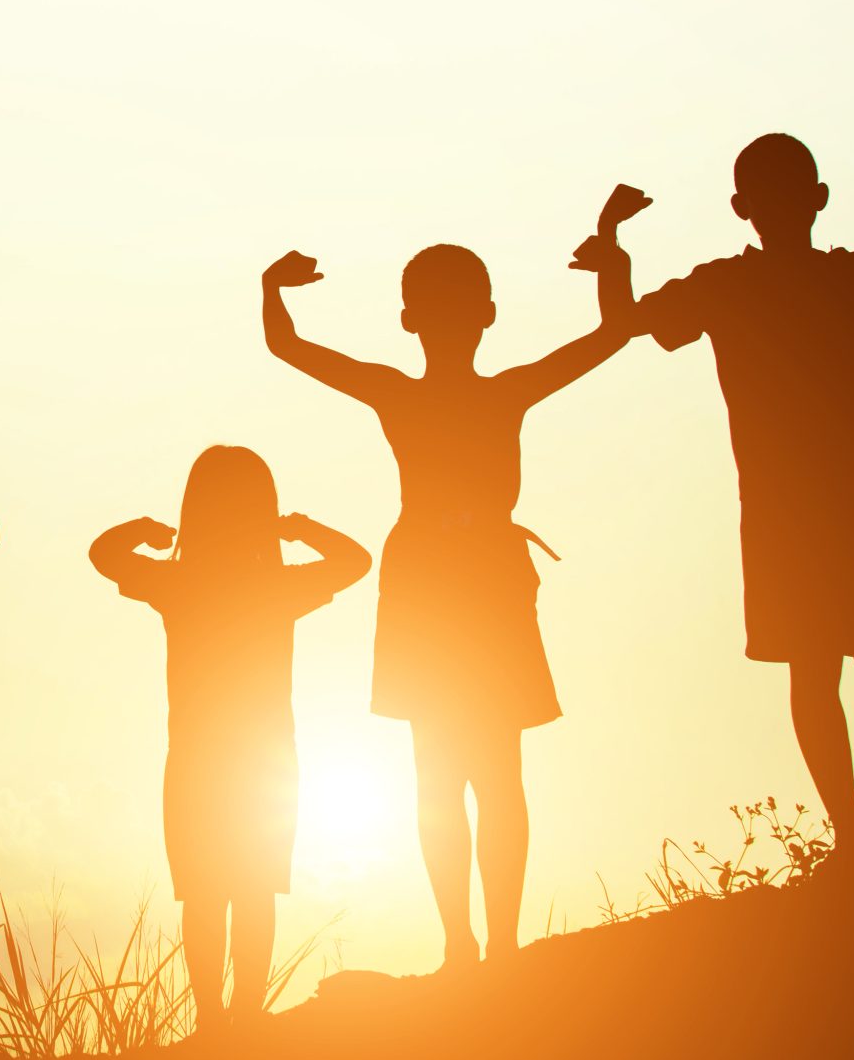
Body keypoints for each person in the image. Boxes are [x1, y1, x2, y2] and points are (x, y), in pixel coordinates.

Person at [261, 189, 640, 971]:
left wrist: (272, 289)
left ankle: (475, 944)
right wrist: (610, 259)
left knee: (454, 770)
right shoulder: (493, 390)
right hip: (453, 583)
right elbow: (614, 332)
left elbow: (287, 346)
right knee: (484, 770)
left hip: (452, 581)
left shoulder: (419, 392)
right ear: (487, 315)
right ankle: (481, 943)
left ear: (412, 319)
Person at [625, 136, 854, 882]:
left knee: (836, 670)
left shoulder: (747, 284)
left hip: (818, 512)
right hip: (843, 510)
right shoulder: (837, 279)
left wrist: (615, 248)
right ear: (807, 200)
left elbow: (628, 322)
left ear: (746, 208)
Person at [90, 448, 369, 1032]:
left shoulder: (177, 580)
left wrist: (146, 528)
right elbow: (355, 560)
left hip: (195, 761)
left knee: (205, 893)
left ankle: (214, 1019)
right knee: (254, 890)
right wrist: (297, 528)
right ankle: (244, 1016)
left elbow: (104, 555)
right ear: (261, 511)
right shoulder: (276, 584)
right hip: (266, 762)